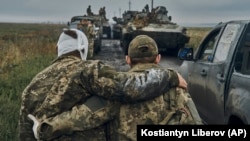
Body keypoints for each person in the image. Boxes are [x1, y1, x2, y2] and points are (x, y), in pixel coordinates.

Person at [19, 29, 187, 141]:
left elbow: (25, 133)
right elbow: (126, 87)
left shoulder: (30, 88)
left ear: (127, 60)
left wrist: (46, 129)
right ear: (158, 58)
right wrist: (169, 75)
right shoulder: (89, 70)